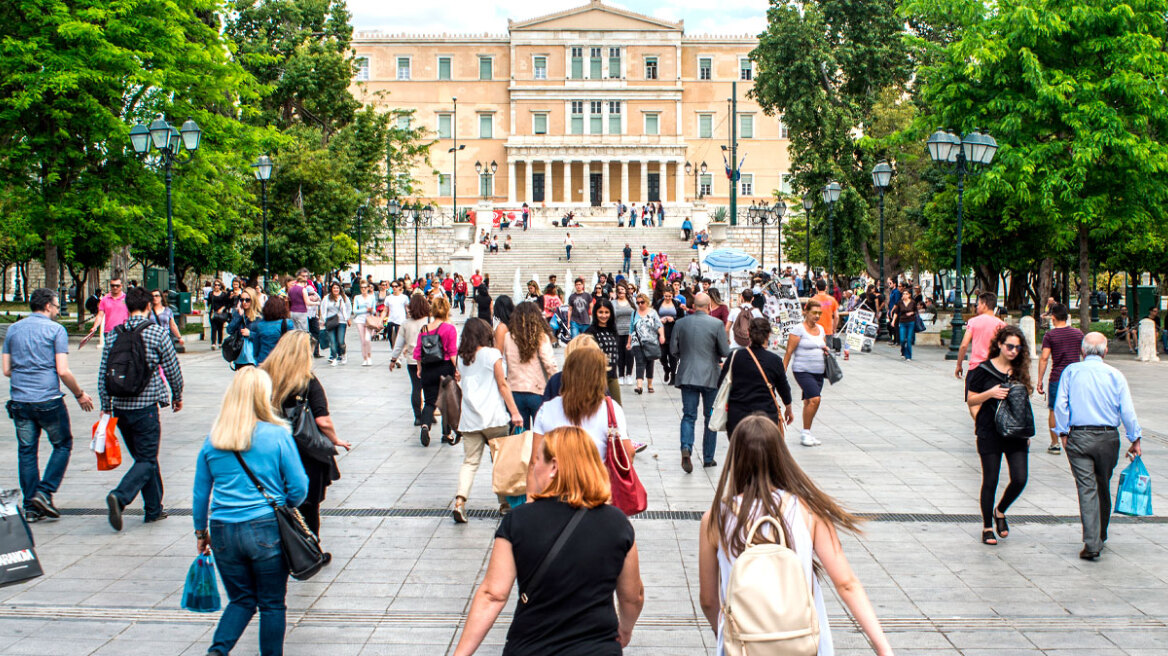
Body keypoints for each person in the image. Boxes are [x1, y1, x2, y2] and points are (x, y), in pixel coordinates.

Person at [698, 416, 893, 656]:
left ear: (735, 458)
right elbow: (846, 584)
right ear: (781, 456)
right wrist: (883, 647)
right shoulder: (809, 511)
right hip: (804, 643)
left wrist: (725, 633)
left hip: (744, 646)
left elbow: (707, 599)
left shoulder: (715, 517)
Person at [453, 426, 643, 656]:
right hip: (597, 647)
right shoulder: (617, 524)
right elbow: (633, 596)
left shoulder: (519, 520)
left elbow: (493, 594)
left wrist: (460, 654)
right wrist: (625, 630)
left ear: (553, 467)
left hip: (531, 647)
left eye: (537, 460)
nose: (533, 469)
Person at [192, 367, 308, 656]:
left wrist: (200, 532)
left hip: (221, 530)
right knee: (271, 603)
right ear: (263, 396)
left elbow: (200, 493)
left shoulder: (214, 438)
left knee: (241, 600)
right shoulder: (277, 435)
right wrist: (283, 503)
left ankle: (217, 651)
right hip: (265, 527)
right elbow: (300, 487)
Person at [3, 288, 94, 522]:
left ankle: (31, 507)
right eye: (55, 306)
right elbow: (62, 370)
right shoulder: (56, 330)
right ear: (46, 306)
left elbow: (6, 370)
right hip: (48, 400)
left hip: (20, 400)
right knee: (63, 444)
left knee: (27, 451)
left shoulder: (13, 329)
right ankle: (44, 492)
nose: (56, 310)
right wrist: (79, 394)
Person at [98, 285, 183, 531]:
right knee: (146, 459)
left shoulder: (114, 334)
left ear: (126, 306)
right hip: (146, 407)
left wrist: (106, 405)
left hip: (121, 408)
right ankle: (120, 496)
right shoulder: (157, 333)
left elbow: (104, 372)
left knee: (144, 459)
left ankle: (154, 509)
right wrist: (177, 394)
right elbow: (172, 368)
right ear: (148, 306)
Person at [1054, 332, 1144, 560]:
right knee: (1102, 484)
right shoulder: (1115, 375)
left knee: (1087, 488)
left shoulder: (1071, 372)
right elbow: (1127, 410)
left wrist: (1063, 433)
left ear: (1082, 351)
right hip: (1108, 438)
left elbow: (1061, 405)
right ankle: (1100, 535)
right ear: (1105, 352)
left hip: (1080, 436)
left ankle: (1092, 541)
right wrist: (1135, 438)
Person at [965, 325, 1033, 546]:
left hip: (1016, 434)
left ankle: (1000, 510)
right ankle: (987, 526)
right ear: (1000, 345)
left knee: (1020, 478)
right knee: (991, 479)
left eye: (1018, 347)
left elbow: (1023, 402)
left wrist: (1025, 428)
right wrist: (991, 393)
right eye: (1010, 346)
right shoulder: (982, 370)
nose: (1014, 351)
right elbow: (971, 399)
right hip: (990, 431)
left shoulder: (1020, 371)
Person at [452, 318, 524, 522]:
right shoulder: (492, 354)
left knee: (470, 462)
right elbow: (502, 384)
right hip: (494, 418)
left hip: (470, 420)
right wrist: (515, 412)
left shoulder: (462, 359)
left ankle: (460, 500)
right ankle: (505, 504)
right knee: (500, 462)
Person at [671, 293, 730, 472]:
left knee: (689, 415)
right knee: (709, 417)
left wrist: (687, 357)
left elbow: (673, 349)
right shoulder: (717, 324)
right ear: (709, 306)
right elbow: (725, 350)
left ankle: (686, 448)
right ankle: (708, 458)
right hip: (710, 376)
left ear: (693, 306)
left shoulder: (680, 323)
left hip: (687, 375)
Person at [718, 318, 793, 437]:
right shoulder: (775, 360)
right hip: (766, 416)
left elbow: (720, 383)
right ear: (768, 334)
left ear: (748, 333)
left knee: (739, 453)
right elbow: (784, 389)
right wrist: (788, 408)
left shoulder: (735, 356)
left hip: (738, 416)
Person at [1036, 303, 1083, 455]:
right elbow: (1085, 353)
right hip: (1075, 377)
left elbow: (1044, 358)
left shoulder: (1050, 335)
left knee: (1054, 410)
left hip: (1057, 377)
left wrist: (1039, 380)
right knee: (1075, 408)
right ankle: (1075, 440)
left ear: (1054, 318)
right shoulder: (1078, 334)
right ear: (1067, 317)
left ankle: (1055, 443)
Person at [783, 299, 830, 447]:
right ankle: (805, 434)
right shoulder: (799, 329)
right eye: (814, 313)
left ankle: (807, 431)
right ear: (806, 312)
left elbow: (823, 345)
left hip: (818, 371)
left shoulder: (821, 329)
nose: (817, 316)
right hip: (802, 370)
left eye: (819, 313)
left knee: (809, 401)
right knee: (816, 399)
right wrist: (781, 372)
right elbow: (789, 352)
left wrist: (826, 351)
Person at [504, 302, 558, 429]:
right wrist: (555, 385)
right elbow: (549, 363)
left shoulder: (507, 337)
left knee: (520, 438)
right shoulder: (540, 337)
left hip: (514, 391)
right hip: (537, 389)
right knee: (541, 434)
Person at [416, 295, 458, 446]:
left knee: (429, 401)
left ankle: (425, 425)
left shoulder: (424, 329)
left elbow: (418, 352)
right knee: (446, 402)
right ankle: (446, 434)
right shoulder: (449, 328)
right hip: (445, 368)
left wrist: (420, 368)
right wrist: (457, 369)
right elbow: (452, 352)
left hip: (428, 368)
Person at [390, 294, 431, 426]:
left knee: (416, 388)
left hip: (413, 360)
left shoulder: (406, 323)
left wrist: (393, 359)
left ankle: (418, 416)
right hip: (429, 359)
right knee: (429, 388)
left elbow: (399, 344)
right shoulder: (430, 321)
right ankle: (429, 412)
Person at [955, 292, 1005, 381]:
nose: (976, 307)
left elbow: (964, 345)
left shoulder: (973, 322)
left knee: (972, 394)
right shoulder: (1002, 325)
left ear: (984, 305)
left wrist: (959, 365)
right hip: (994, 368)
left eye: (978, 304)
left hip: (976, 367)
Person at [629, 293, 665, 394]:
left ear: (647, 302)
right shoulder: (634, 313)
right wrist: (629, 342)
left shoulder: (653, 313)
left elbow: (659, 325)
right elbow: (631, 328)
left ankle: (650, 384)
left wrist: (662, 335)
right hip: (637, 342)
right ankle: (639, 385)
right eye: (638, 302)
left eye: (642, 302)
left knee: (650, 362)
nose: (640, 304)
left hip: (651, 341)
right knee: (639, 362)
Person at [250, 296, 296, 366]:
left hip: (263, 361)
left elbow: (256, 348)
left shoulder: (260, 325)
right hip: (281, 362)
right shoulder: (287, 323)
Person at [86, 276, 128, 344]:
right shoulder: (105, 299)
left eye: (117, 286)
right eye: (113, 285)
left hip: (123, 331)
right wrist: (95, 327)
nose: (115, 287)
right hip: (109, 332)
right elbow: (100, 315)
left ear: (121, 286)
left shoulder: (127, 299)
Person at [318, 282, 351, 365]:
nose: (336, 290)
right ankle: (334, 357)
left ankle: (343, 354)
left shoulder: (343, 298)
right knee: (332, 340)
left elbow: (347, 309)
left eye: (337, 288)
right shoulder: (327, 298)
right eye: (334, 288)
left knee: (340, 340)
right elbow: (323, 309)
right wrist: (324, 320)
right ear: (331, 289)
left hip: (341, 321)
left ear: (340, 289)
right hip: (331, 321)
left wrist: (347, 318)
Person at [655, 288, 682, 384]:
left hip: (673, 331)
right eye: (666, 296)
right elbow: (653, 315)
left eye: (669, 296)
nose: (667, 298)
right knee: (661, 354)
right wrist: (660, 320)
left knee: (672, 355)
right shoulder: (659, 303)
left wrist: (673, 319)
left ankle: (673, 377)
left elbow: (681, 317)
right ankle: (666, 368)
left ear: (672, 295)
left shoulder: (676, 304)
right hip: (661, 330)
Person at [889, 283, 920, 360]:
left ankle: (908, 356)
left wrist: (911, 313)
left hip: (910, 322)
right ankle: (903, 351)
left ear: (909, 295)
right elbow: (896, 312)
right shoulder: (900, 302)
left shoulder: (913, 302)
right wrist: (893, 321)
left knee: (909, 339)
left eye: (906, 294)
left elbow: (916, 312)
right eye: (904, 294)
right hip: (902, 322)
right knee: (902, 339)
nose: (904, 295)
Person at [612, 282, 635, 385]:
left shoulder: (632, 302)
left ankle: (629, 374)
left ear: (626, 290)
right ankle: (621, 375)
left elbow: (638, 314)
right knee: (620, 354)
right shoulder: (613, 303)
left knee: (629, 354)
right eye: (619, 289)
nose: (621, 291)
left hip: (630, 332)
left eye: (622, 289)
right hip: (618, 332)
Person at [350, 280, 377, 366]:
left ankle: (369, 356)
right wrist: (365, 309)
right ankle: (365, 358)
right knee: (363, 340)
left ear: (368, 288)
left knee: (367, 339)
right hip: (359, 320)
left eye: (365, 287)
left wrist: (371, 310)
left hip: (368, 319)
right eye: (362, 288)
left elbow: (374, 310)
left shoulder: (372, 297)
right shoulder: (357, 297)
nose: (363, 289)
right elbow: (354, 310)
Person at [810, 280, 839, 352]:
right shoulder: (832, 300)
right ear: (826, 288)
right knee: (828, 353)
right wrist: (834, 328)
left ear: (816, 288)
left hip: (815, 331)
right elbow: (837, 316)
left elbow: (808, 316)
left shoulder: (812, 300)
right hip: (828, 330)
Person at [208, 280, 232, 350]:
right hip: (213, 313)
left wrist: (222, 309)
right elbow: (209, 303)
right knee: (213, 328)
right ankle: (213, 343)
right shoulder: (211, 294)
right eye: (215, 285)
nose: (217, 286)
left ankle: (220, 342)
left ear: (221, 286)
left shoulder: (224, 294)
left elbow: (226, 303)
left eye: (218, 285)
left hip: (221, 313)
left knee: (220, 328)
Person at [382, 280, 409, 345]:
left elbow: (407, 309)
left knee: (399, 340)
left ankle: (398, 353)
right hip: (391, 320)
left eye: (396, 286)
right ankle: (394, 352)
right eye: (393, 286)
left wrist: (410, 319)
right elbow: (385, 310)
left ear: (400, 287)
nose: (394, 288)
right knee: (391, 339)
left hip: (400, 321)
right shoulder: (388, 298)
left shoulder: (404, 297)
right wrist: (380, 320)